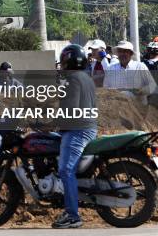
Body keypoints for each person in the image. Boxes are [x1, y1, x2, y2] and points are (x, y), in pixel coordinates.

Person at [52, 44, 97, 229]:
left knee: (66, 170)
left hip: (78, 130)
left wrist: (48, 124)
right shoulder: (85, 77)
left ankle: (72, 215)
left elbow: (71, 108)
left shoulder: (73, 79)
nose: (61, 65)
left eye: (63, 61)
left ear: (68, 60)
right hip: (85, 127)